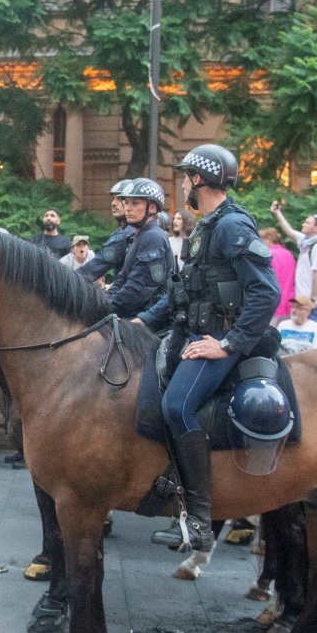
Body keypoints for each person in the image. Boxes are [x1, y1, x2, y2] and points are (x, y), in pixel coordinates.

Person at [138, 145, 280, 552]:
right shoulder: (206, 227)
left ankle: (201, 522)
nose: (182, 183)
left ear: (199, 179)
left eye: (185, 177)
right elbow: (184, 293)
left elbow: (266, 292)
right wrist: (142, 322)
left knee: (176, 406)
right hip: (190, 334)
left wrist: (228, 344)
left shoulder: (232, 226)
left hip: (220, 339)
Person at [107, 179, 173, 318]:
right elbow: (122, 279)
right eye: (126, 202)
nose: (128, 208)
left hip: (150, 319)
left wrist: (107, 307)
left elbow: (139, 288)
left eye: (135, 203)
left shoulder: (153, 237)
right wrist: (102, 301)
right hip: (133, 313)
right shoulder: (137, 236)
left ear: (152, 208)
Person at [269, 203, 317, 322]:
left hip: (311, 300)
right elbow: (289, 231)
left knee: (310, 330)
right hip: (300, 296)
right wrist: (278, 213)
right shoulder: (305, 242)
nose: (303, 224)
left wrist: (312, 299)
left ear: (316, 228)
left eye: (307, 223)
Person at [80, 180, 136, 282]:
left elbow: (96, 266)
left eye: (119, 198)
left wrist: (68, 280)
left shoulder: (125, 234)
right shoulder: (130, 230)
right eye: (113, 198)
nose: (113, 203)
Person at [259, 228, 296, 326]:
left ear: (269, 239)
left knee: (268, 335)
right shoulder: (288, 254)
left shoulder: (267, 254)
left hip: (271, 302)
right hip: (288, 301)